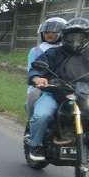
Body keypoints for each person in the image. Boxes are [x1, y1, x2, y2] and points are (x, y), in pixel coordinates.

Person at [28, 17, 89, 161]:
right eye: (72, 36)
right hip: (55, 92)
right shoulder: (54, 53)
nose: (75, 40)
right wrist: (37, 78)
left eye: (80, 36)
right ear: (64, 36)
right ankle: (35, 145)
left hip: (84, 94)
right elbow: (37, 67)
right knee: (42, 115)